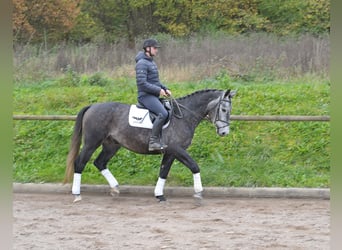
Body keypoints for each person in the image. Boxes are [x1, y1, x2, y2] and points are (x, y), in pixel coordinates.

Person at [135, 38, 172, 151]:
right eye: (155, 48)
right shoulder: (142, 63)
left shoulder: (150, 62)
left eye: (156, 48)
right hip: (145, 96)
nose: (156, 50)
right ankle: (153, 142)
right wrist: (158, 90)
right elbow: (142, 83)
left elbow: (154, 81)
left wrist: (164, 88)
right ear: (147, 49)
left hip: (152, 94)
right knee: (163, 113)